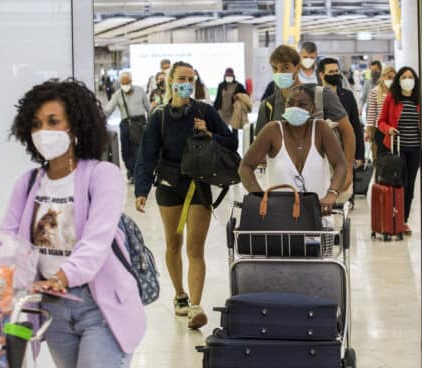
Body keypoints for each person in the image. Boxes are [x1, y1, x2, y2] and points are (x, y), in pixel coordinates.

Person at [1, 78, 145, 368]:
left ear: (76, 127)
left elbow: (96, 242)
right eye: (36, 124)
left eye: (53, 122)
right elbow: (6, 239)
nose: (43, 132)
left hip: (99, 308)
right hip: (51, 308)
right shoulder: (28, 183)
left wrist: (63, 277)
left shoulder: (103, 175)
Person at [134, 61, 238, 329]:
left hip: (198, 185)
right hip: (169, 186)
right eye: (182, 78)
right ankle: (180, 295)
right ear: (170, 81)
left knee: (195, 248)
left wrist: (209, 133)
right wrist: (141, 190)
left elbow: (231, 141)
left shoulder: (204, 110)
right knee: (173, 244)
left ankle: (195, 305)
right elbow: (146, 156)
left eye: (191, 78)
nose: (187, 83)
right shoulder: (159, 116)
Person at [255, 44, 356, 194]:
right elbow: (259, 150)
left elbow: (347, 131)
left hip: (321, 180)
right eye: (275, 69)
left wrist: (347, 170)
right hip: (282, 185)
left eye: (285, 68)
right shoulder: (268, 105)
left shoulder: (322, 96)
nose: (279, 73)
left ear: (297, 67)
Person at [239, 84, 347, 215]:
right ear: (285, 106)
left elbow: (340, 165)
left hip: (317, 215)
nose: (295, 108)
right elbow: (245, 167)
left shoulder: (321, 129)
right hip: (277, 215)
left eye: (302, 104)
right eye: (290, 103)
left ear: (312, 109)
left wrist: (332, 194)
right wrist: (260, 197)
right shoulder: (272, 130)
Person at [377, 66, 421, 235]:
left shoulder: (419, 100)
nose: (408, 80)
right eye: (404, 77)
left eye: (411, 77)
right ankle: (393, 218)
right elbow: (381, 121)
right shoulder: (392, 98)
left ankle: (403, 221)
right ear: (399, 80)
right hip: (397, 147)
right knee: (398, 184)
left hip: (415, 148)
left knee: (410, 185)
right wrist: (388, 129)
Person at [318, 57, 365, 168]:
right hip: (322, 153)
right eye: (331, 72)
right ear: (321, 74)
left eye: (336, 71)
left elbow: (356, 126)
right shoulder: (315, 95)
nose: (335, 74)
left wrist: (359, 155)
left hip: (346, 151)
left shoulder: (347, 95)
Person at [103, 71, 150, 183]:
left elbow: (148, 108)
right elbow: (108, 109)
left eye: (127, 82)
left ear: (131, 81)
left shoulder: (140, 91)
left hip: (139, 123)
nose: (125, 85)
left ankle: (136, 173)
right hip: (125, 124)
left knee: (137, 150)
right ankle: (130, 170)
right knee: (125, 150)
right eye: (122, 83)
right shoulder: (117, 95)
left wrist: (151, 123)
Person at [366, 65, 396, 158]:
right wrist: (368, 130)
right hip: (380, 129)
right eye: (389, 77)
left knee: (395, 155)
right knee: (381, 155)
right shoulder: (374, 91)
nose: (391, 80)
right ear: (383, 77)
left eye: (394, 78)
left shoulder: (396, 92)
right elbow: (371, 113)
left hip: (394, 128)